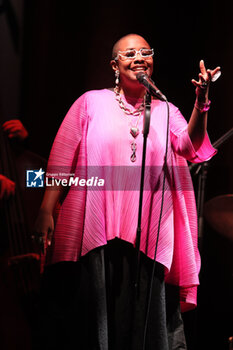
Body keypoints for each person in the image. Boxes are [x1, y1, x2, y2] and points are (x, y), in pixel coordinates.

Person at [34, 34, 220, 350]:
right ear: (114, 65)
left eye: (145, 52)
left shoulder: (166, 110)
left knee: (143, 326)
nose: (138, 57)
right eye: (129, 53)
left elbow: (191, 147)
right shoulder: (90, 102)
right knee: (97, 322)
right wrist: (44, 209)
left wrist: (201, 102)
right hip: (99, 229)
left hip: (150, 234)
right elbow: (61, 158)